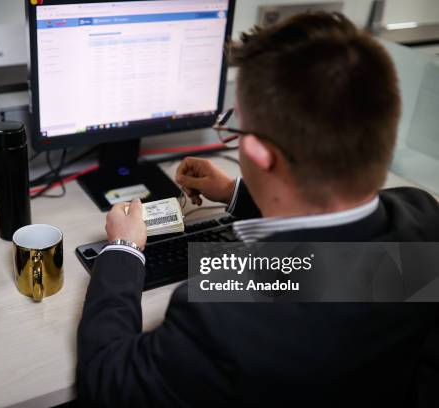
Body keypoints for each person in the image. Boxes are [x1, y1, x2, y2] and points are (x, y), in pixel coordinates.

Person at [76, 12, 439, 407]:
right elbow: (332, 271)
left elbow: (107, 382)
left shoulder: (227, 317)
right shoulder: (421, 219)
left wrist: (123, 252)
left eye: (236, 128)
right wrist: (235, 192)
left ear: (256, 152)